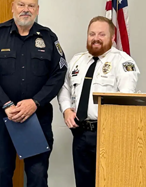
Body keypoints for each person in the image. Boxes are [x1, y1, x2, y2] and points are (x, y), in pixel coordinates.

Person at [0, 0, 67, 187]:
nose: (26, 10)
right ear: (12, 7)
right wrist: (7, 104)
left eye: (31, 6)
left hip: (36, 117)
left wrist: (35, 102)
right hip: (3, 117)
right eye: (21, 5)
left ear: (37, 10)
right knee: (1, 172)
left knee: (37, 174)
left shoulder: (48, 37)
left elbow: (59, 74)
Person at [57, 16, 139, 187]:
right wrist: (66, 109)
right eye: (92, 34)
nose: (96, 38)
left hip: (109, 134)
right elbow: (64, 88)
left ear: (113, 37)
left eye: (102, 34)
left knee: (108, 182)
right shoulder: (77, 60)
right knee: (83, 182)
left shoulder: (122, 61)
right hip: (80, 133)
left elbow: (126, 98)